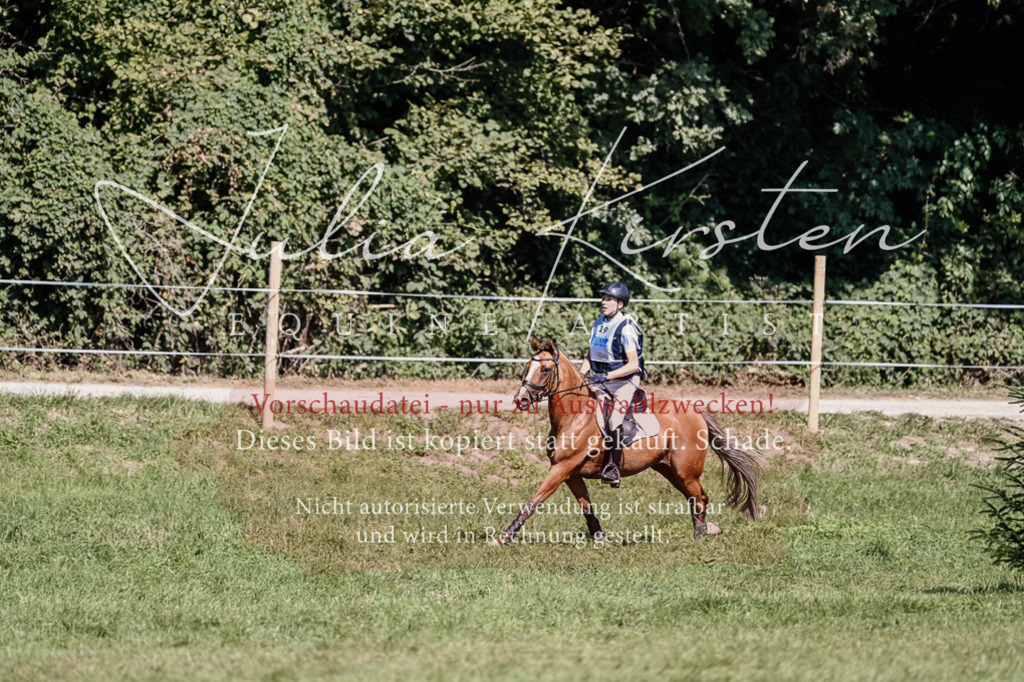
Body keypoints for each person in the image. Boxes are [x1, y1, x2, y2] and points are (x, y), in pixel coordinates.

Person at [580, 282, 646, 488]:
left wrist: (606, 376)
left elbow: (633, 364)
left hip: (624, 382)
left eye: (608, 299)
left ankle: (613, 468)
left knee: (615, 418)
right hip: (600, 379)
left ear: (619, 304)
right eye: (603, 298)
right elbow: (590, 355)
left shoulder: (626, 328)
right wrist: (580, 375)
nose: (603, 302)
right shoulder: (598, 323)